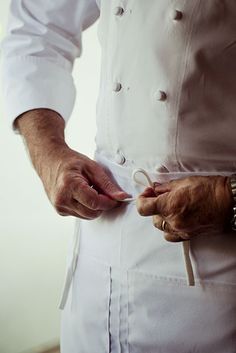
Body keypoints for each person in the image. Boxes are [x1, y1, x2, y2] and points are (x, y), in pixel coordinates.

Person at [2, 0, 236, 352]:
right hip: (97, 274)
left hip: (219, 286)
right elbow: (38, 28)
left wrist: (228, 198)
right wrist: (49, 153)